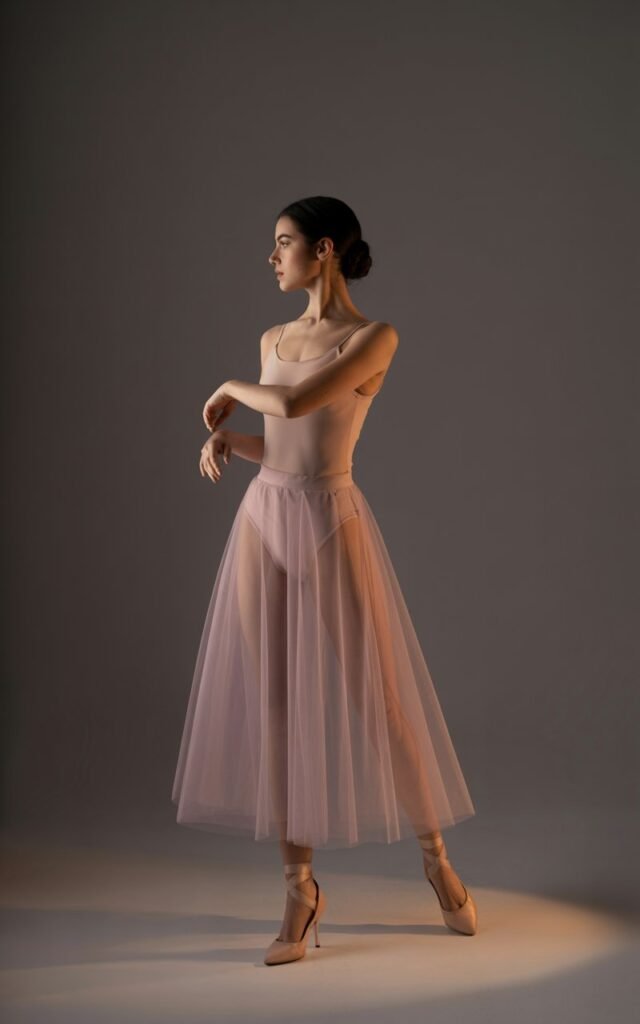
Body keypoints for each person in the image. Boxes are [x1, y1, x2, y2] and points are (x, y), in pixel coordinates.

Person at [172, 196, 478, 966]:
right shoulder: (274, 336)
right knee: (276, 708)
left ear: (326, 251)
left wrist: (229, 387)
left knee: (382, 702)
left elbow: (299, 402)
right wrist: (225, 441)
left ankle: (437, 863)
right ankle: (300, 892)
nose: (272, 258)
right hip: (266, 521)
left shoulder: (375, 337)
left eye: (284, 244)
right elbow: (279, 444)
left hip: (331, 521)